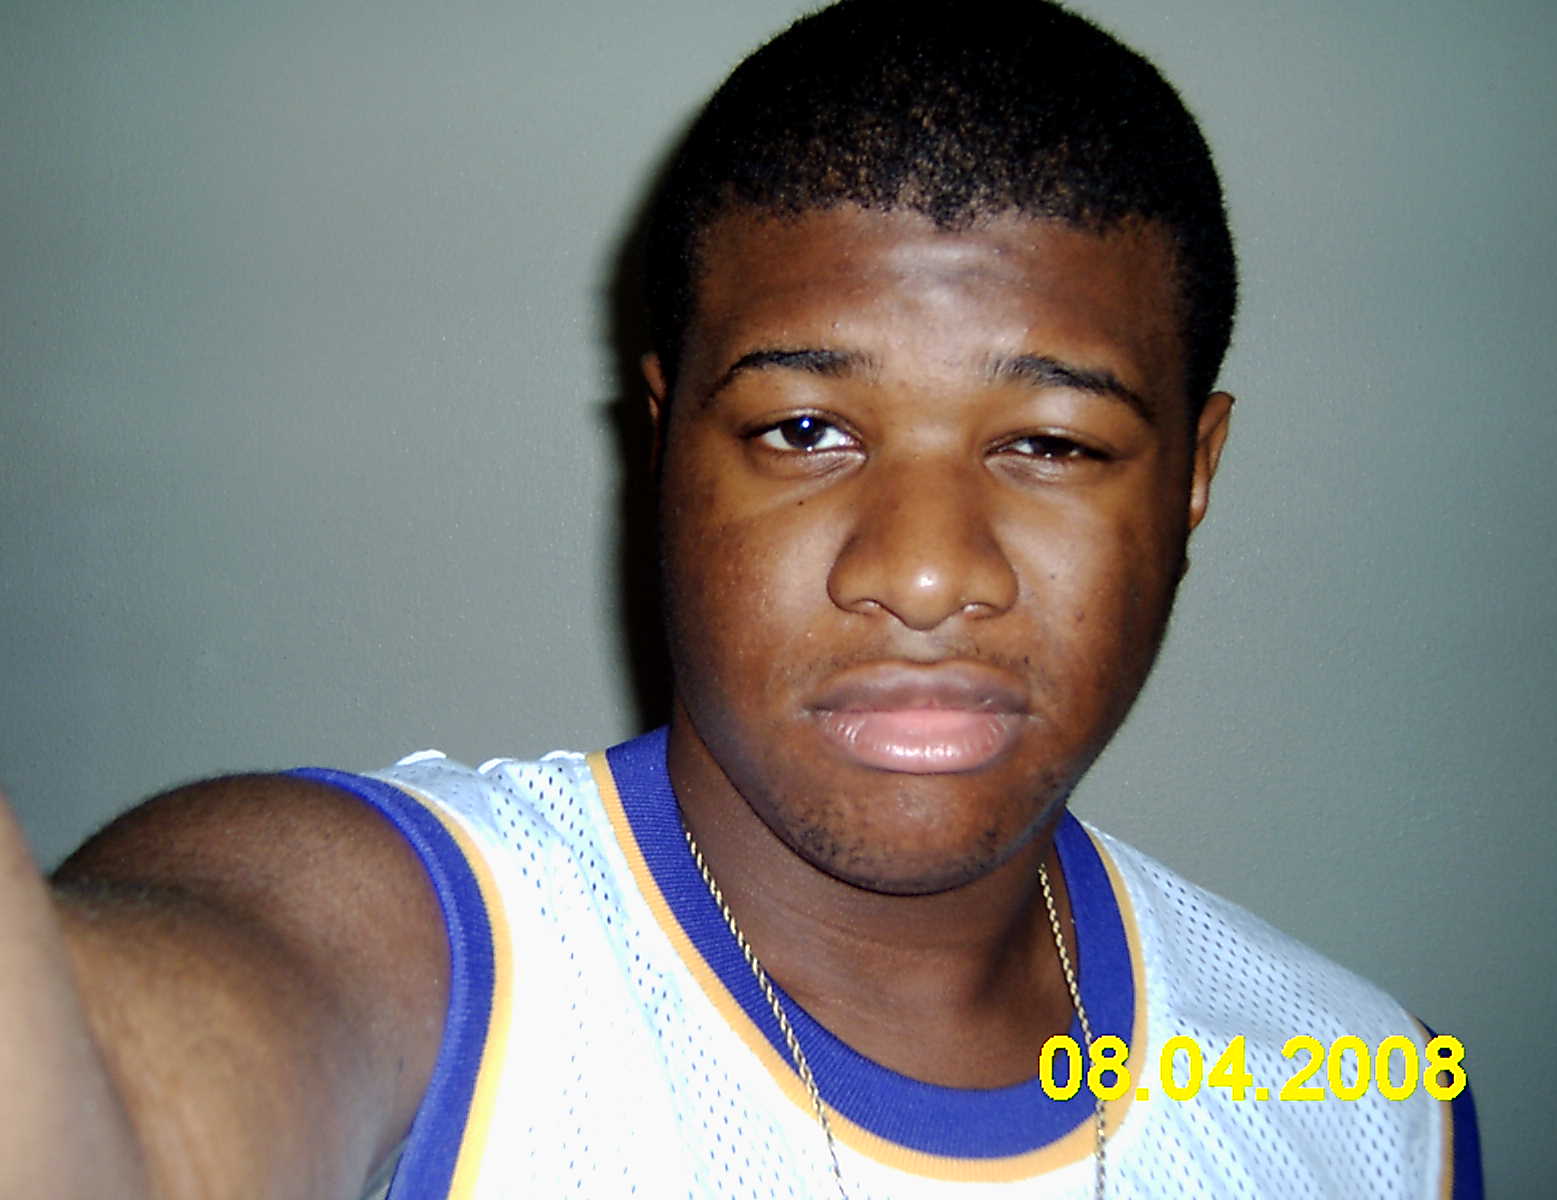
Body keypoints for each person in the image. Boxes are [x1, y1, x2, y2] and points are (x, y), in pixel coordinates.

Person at [0, 1, 1481, 1197]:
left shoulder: (1368, 1096)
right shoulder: (421, 953)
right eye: (805, 429)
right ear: (666, 443)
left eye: (1049, 444)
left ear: (1194, 476)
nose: (921, 573)